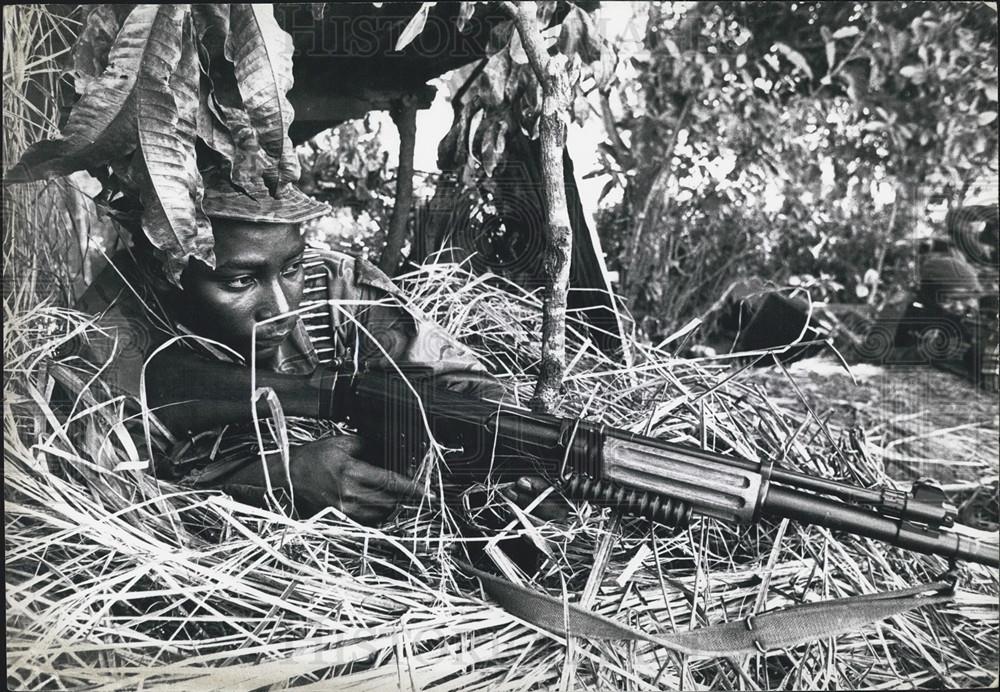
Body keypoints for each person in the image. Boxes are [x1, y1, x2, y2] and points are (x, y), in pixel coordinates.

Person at [70, 178, 555, 524]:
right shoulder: (111, 327)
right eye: (241, 280)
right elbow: (105, 494)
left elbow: (468, 388)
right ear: (167, 273)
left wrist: (494, 462)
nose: (282, 307)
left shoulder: (336, 287)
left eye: (293, 267)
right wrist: (269, 479)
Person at [887, 254, 988, 383]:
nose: (958, 307)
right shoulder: (902, 308)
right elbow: (876, 355)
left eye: (964, 299)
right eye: (947, 300)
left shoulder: (972, 316)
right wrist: (929, 351)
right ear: (928, 294)